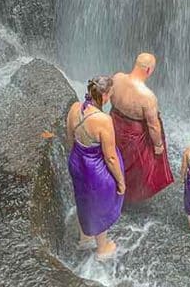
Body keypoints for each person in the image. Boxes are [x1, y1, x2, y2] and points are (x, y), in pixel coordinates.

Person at [66, 75, 125, 260]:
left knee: (83, 198)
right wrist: (121, 182)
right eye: (111, 93)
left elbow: (70, 138)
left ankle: (85, 238)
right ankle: (102, 249)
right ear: (105, 96)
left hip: (77, 161)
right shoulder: (103, 120)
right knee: (101, 204)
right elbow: (111, 158)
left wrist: (77, 160)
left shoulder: (75, 108)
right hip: (95, 169)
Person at [109, 53, 174, 203]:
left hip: (113, 124)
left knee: (113, 157)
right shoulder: (147, 97)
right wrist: (158, 146)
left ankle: (111, 190)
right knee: (134, 167)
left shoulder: (117, 78)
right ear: (149, 70)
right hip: (134, 135)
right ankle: (128, 195)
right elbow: (153, 126)